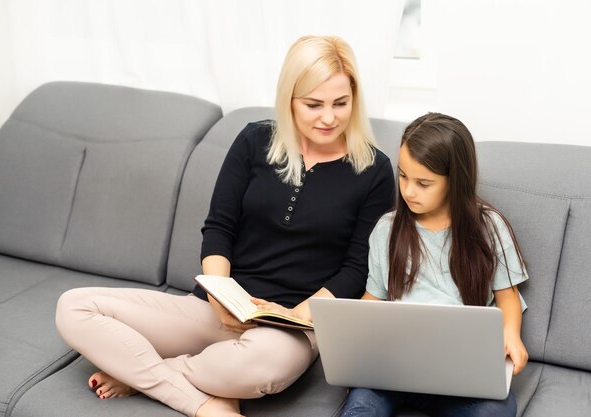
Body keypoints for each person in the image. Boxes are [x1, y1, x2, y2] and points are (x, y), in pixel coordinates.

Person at [55, 35, 395, 417]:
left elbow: (356, 269)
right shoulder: (255, 140)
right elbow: (219, 228)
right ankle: (205, 403)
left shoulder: (375, 170)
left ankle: (143, 374)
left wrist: (295, 316)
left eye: (341, 103)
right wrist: (221, 299)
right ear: (289, 100)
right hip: (217, 308)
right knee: (74, 307)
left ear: (355, 99)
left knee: (263, 365)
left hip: (291, 329)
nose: (329, 117)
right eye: (313, 105)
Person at [339, 113, 529, 417]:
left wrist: (511, 336)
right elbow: (373, 300)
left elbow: (508, 299)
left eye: (423, 183)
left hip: (463, 377)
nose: (409, 191)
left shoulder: (489, 228)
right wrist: (353, 354)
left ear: (456, 181)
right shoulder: (387, 229)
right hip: (393, 372)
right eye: (402, 176)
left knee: (494, 411)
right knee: (361, 406)